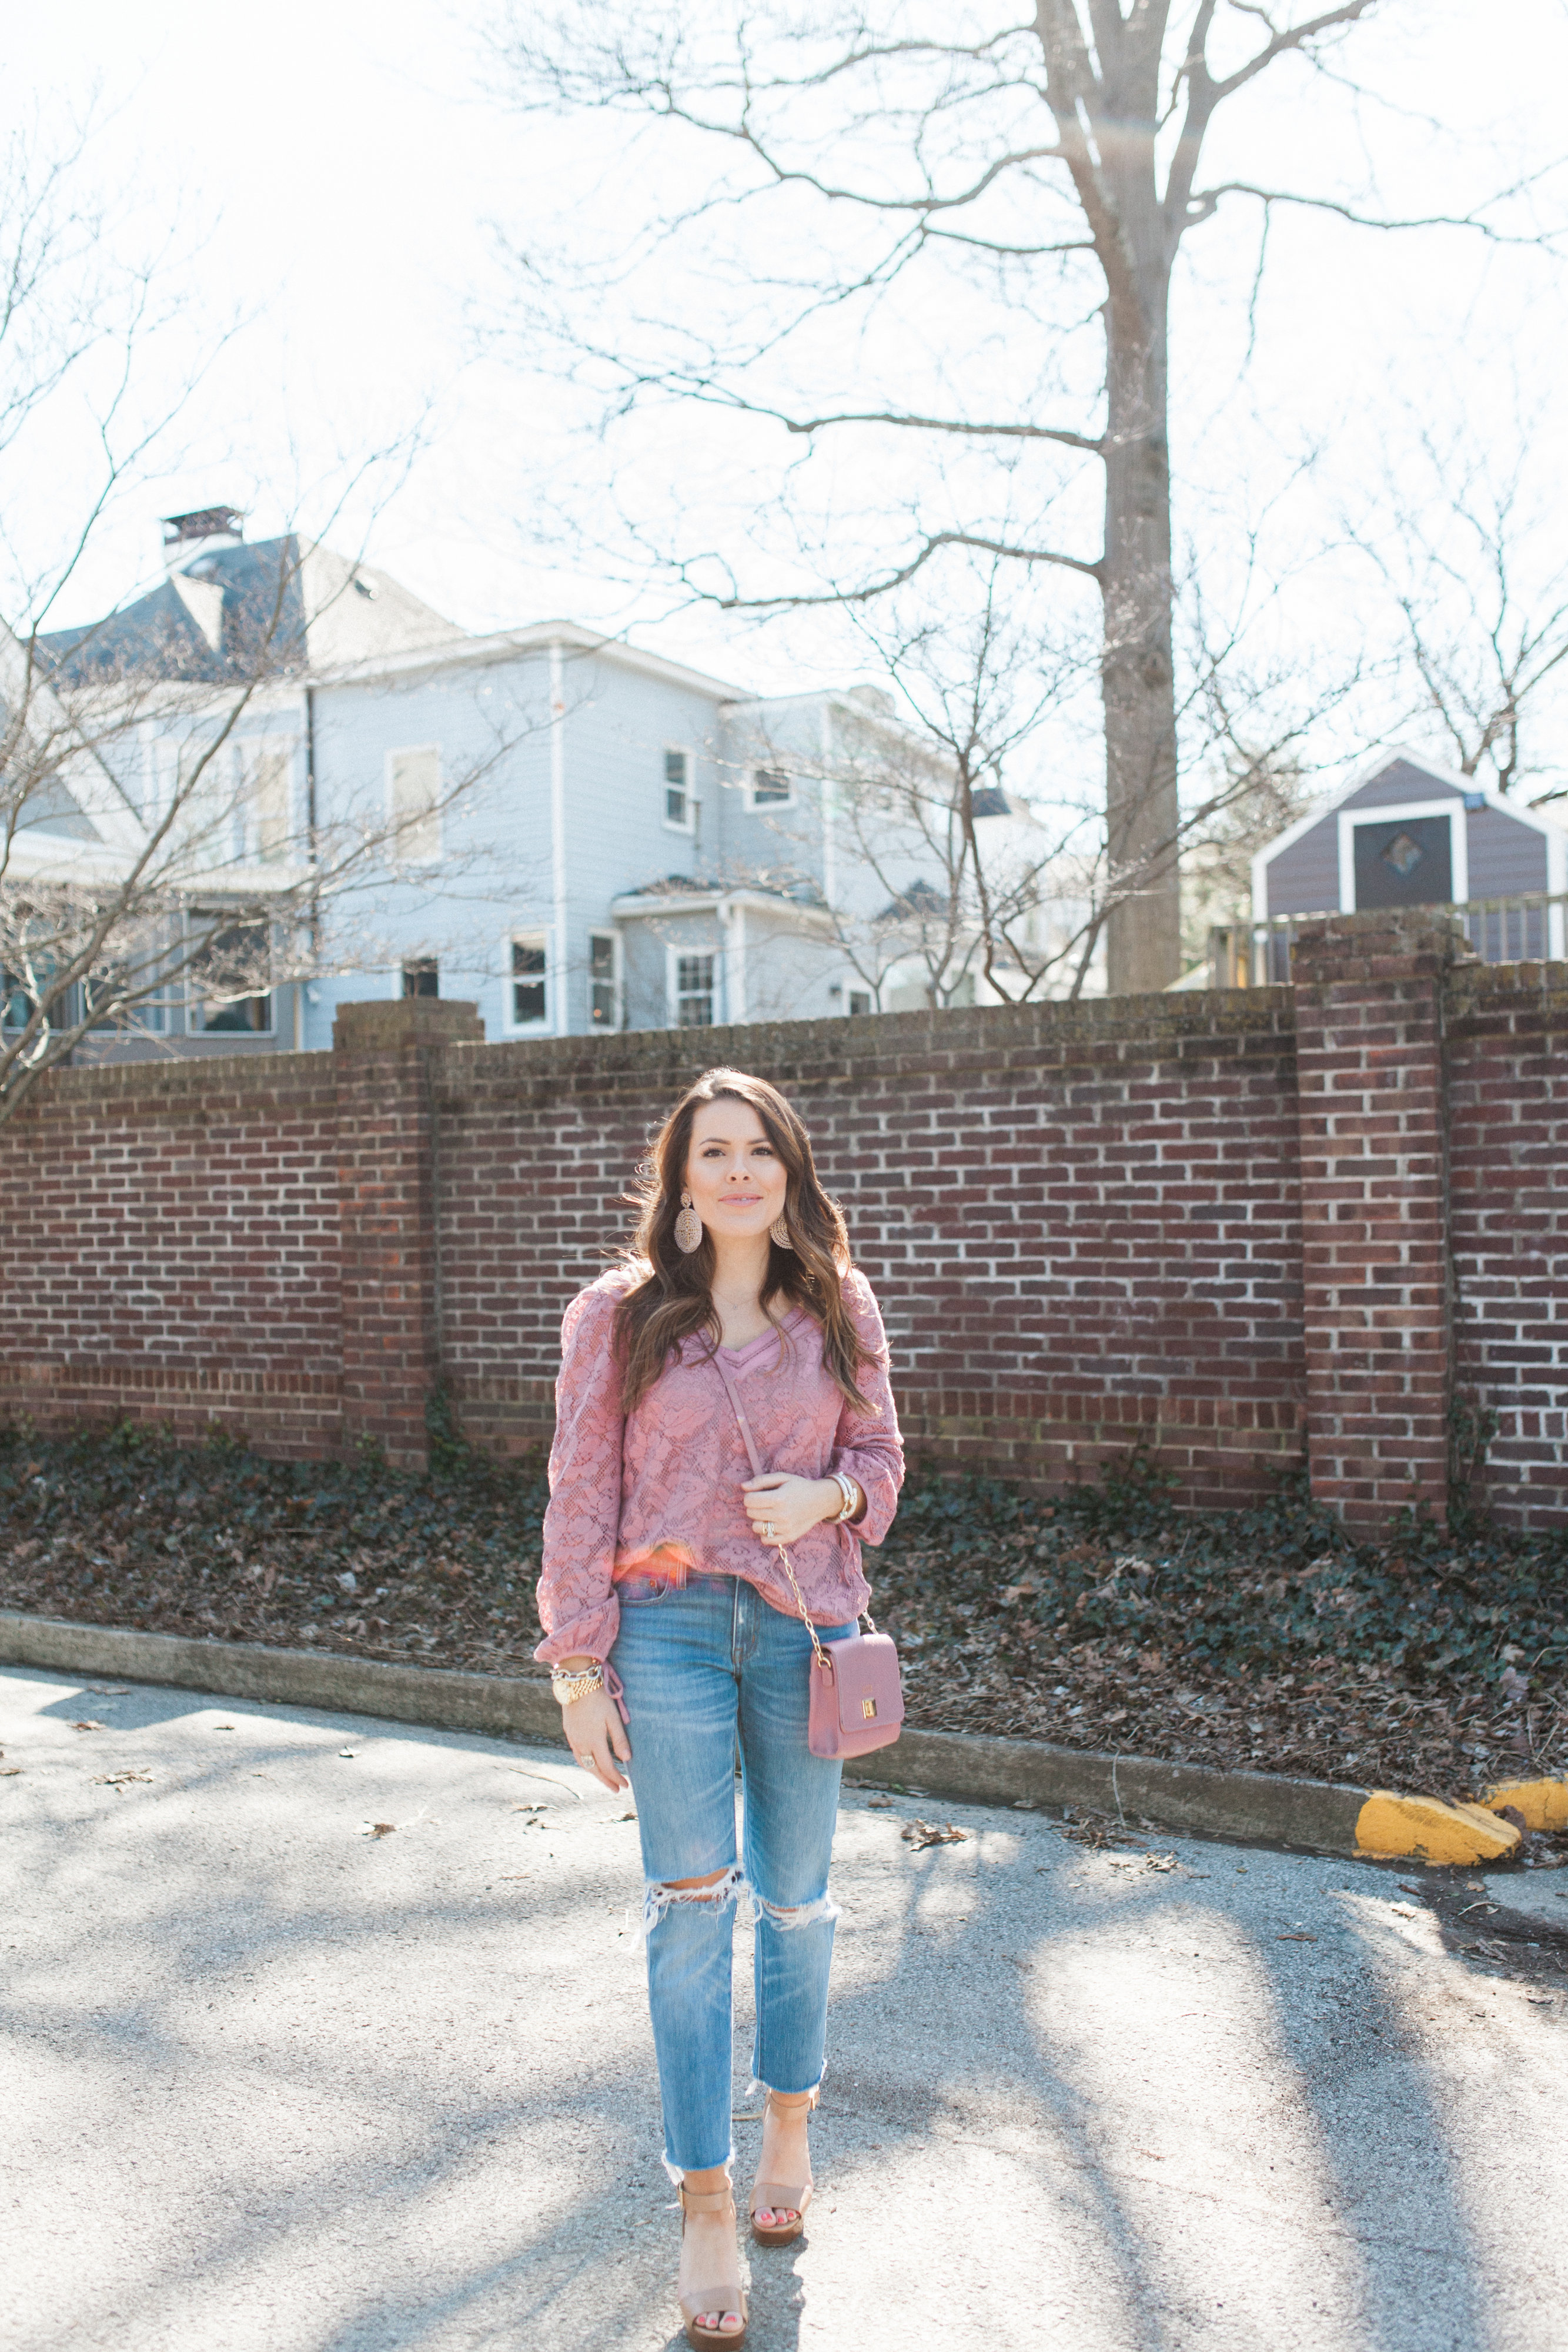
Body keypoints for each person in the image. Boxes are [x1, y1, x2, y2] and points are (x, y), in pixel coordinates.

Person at [536, 1067, 904, 2348]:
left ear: (789, 1168)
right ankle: (702, 2193)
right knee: (690, 1911)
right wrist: (577, 1663)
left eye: (760, 1149)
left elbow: (880, 1457)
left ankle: (788, 2123)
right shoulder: (619, 1314)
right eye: (714, 1152)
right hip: (670, 1630)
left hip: (808, 1631)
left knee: (796, 1898)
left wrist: (829, 1501)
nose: (738, 1169)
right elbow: (580, 1488)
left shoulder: (835, 1300)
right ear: (679, 1176)